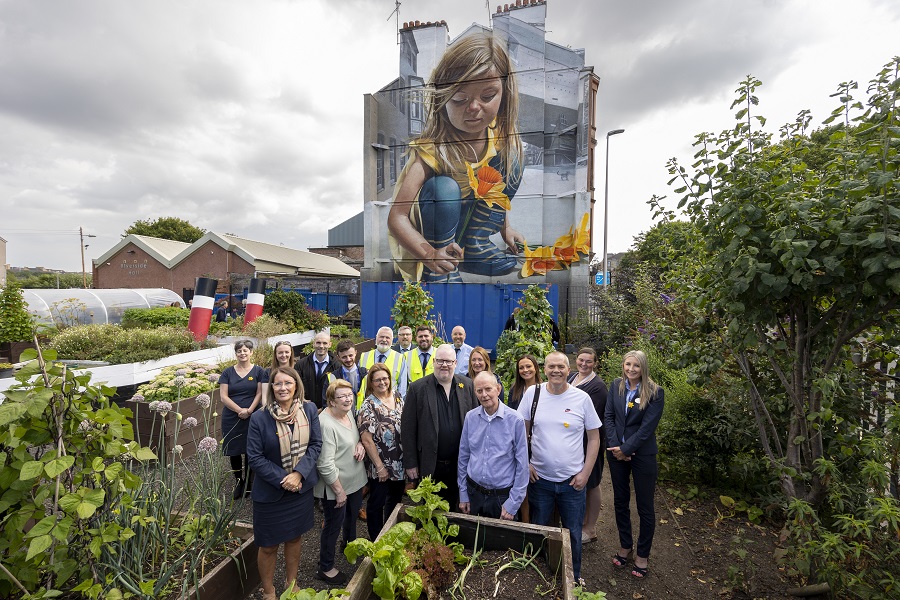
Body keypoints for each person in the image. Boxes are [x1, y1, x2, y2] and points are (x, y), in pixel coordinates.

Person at [387, 33, 524, 282]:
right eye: (460, 99)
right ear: (443, 97)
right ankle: (441, 267)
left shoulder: (499, 137)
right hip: (429, 234)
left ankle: (476, 243)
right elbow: (396, 217)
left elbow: (494, 189)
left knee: (513, 159)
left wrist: (506, 229)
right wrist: (430, 253)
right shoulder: (435, 149)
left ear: (504, 94)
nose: (473, 108)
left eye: (487, 96)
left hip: (465, 220)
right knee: (445, 188)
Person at [518, 351, 600, 583]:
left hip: (572, 483)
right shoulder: (532, 395)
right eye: (551, 366)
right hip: (540, 480)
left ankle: (573, 577)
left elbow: (594, 438)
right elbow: (520, 433)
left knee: (573, 533)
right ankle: (539, 575)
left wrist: (585, 473)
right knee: (541, 529)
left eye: (561, 367)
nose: (556, 370)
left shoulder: (581, 399)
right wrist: (526, 464)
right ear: (544, 369)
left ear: (568, 369)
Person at [246, 366, 322, 600]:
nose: (283, 388)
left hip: (300, 489)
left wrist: (299, 474)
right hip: (271, 493)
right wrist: (284, 479)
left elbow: (316, 445)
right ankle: (269, 590)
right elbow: (255, 457)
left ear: (296, 385)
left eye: (288, 383)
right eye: (278, 384)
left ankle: (292, 582)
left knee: (294, 538)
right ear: (271, 388)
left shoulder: (309, 410)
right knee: (268, 546)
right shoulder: (260, 417)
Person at [606, 350, 665, 579]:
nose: (631, 369)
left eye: (636, 366)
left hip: (642, 455)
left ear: (643, 368)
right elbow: (608, 417)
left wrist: (627, 449)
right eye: (628, 364)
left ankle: (643, 554)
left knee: (644, 506)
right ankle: (625, 545)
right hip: (615, 453)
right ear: (623, 365)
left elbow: (647, 428)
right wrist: (616, 448)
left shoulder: (655, 392)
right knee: (620, 501)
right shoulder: (616, 385)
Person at [401, 344, 477, 506]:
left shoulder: (467, 385)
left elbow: (476, 422)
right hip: (430, 464)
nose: (444, 365)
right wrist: (411, 463)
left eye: (448, 361)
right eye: (440, 361)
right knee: (430, 511)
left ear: (455, 363)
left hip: (460, 463)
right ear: (434, 362)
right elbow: (408, 429)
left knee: (459, 508)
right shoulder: (418, 388)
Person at [315, 379, 368, 585]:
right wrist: (339, 491)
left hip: (355, 481)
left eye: (349, 395)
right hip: (337, 486)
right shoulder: (325, 423)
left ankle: (349, 545)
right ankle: (325, 567)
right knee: (332, 525)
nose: (347, 399)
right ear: (331, 401)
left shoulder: (347, 414)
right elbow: (325, 463)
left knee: (351, 517)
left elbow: (353, 437)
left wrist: (360, 444)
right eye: (341, 397)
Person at [458, 372, 528, 520]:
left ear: (498, 389)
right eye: (479, 391)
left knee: (502, 541)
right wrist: (463, 493)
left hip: (502, 498)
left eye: (488, 389)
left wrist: (513, 503)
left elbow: (522, 465)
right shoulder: (471, 417)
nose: (484, 395)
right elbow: (463, 456)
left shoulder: (515, 420)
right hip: (473, 493)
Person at [357, 363, 405, 540]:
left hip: (399, 462)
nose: (382, 382)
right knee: (377, 503)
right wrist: (379, 467)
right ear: (371, 383)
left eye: (385, 378)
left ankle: (390, 535)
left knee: (395, 500)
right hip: (381, 465)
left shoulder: (398, 397)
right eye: (377, 380)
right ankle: (376, 539)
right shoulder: (368, 405)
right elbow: (367, 440)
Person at [568, 348, 609, 544]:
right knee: (579, 481)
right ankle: (581, 522)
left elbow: (588, 417)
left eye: (589, 362)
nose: (584, 364)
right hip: (574, 439)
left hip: (589, 440)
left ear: (595, 363)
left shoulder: (598, 387)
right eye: (581, 360)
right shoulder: (572, 377)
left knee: (592, 482)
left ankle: (590, 528)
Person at [219, 339, 267, 500]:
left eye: (246, 350)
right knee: (234, 451)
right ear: (236, 354)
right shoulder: (227, 372)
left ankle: (249, 484)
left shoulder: (259, 371)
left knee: (250, 450)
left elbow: (260, 393)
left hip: (253, 416)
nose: (242, 353)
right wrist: (239, 410)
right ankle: (239, 482)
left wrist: (250, 410)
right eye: (239, 351)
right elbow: (223, 396)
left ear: (251, 352)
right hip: (232, 416)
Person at [295, 331, 338, 409]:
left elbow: (338, 390)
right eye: (318, 343)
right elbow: (296, 386)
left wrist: (325, 407)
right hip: (306, 409)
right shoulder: (300, 365)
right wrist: (302, 399)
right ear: (313, 343)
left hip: (329, 410)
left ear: (330, 344)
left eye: (325, 343)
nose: (321, 346)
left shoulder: (337, 366)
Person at [324, 339, 368, 408]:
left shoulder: (366, 374)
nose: (348, 359)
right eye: (344, 357)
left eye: (350, 355)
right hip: (341, 417)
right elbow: (326, 403)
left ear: (356, 353)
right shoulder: (332, 378)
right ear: (338, 357)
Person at [397, 325, 435, 398]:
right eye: (420, 336)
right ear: (416, 338)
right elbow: (403, 383)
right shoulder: (406, 356)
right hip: (414, 398)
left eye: (426, 336)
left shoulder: (439, 354)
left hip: (434, 397)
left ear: (431, 337)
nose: (423, 339)